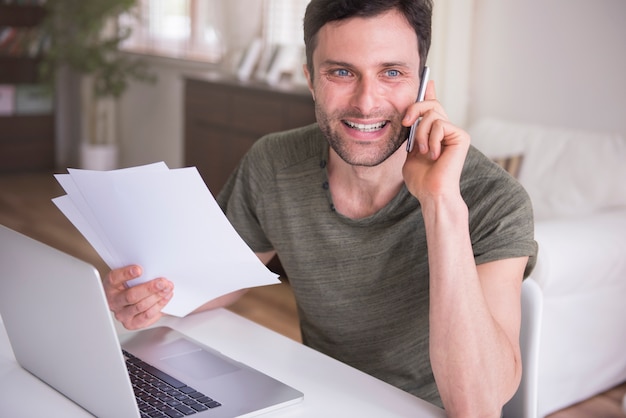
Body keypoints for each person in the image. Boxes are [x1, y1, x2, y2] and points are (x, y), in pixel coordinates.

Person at [104, 0, 537, 415]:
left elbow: (478, 407)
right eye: (342, 72)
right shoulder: (273, 164)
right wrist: (150, 301)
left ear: (423, 85)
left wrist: (441, 203)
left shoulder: (493, 201)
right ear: (311, 79)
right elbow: (217, 281)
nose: (367, 102)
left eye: (391, 72)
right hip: (317, 398)